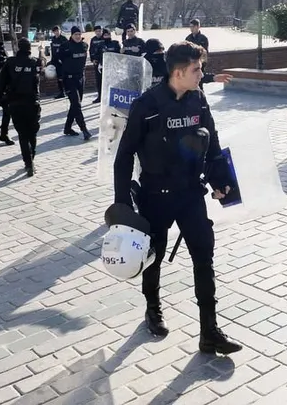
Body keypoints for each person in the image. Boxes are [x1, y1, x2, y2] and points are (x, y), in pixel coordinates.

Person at [113, 41, 242, 354]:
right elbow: (124, 154)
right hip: (155, 197)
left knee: (204, 257)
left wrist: (222, 180)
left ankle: (209, 332)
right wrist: (122, 207)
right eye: (197, 69)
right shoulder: (147, 104)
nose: (202, 74)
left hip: (190, 195)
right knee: (152, 257)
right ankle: (153, 308)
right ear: (179, 72)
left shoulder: (198, 99)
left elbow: (211, 143)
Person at [0, 38, 44, 177]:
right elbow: (43, 69)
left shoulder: (10, 63)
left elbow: (1, 83)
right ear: (30, 47)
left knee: (22, 135)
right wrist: (42, 51)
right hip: (32, 102)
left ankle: (28, 162)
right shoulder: (35, 62)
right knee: (32, 133)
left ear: (18, 48)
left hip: (15, 103)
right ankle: (32, 156)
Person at [57, 26, 92, 140]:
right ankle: (84, 129)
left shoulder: (84, 46)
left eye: (79, 34)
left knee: (76, 104)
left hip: (80, 78)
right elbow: (57, 60)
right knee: (76, 104)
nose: (77, 36)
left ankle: (67, 128)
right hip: (69, 79)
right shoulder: (65, 47)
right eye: (75, 34)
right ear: (71, 35)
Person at [49, 26, 68, 99]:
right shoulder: (53, 39)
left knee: (63, 77)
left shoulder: (63, 39)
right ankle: (61, 92)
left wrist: (63, 59)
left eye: (58, 30)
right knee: (58, 77)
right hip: (55, 60)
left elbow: (66, 49)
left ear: (60, 31)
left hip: (62, 61)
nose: (56, 32)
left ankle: (66, 91)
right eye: (55, 31)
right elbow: (53, 50)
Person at [89, 25, 105, 103]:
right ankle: (99, 96)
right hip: (97, 62)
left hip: (105, 62)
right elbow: (91, 50)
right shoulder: (93, 40)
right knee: (98, 80)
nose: (98, 33)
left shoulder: (105, 38)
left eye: (100, 31)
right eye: (96, 31)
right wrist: (93, 60)